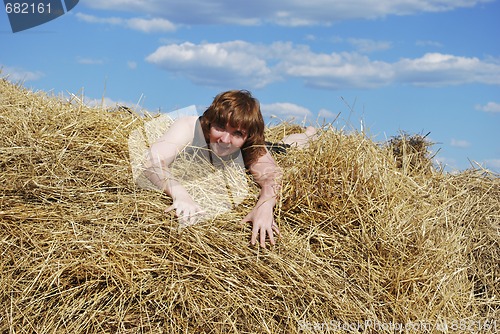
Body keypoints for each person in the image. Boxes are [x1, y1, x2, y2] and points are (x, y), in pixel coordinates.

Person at [142, 90, 317, 248]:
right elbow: (152, 162)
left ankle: (309, 133)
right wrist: (180, 194)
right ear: (210, 122)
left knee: (288, 146)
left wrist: (265, 205)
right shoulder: (189, 127)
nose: (225, 139)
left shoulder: (252, 147)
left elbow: (273, 175)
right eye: (220, 127)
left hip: (274, 146)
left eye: (237, 134)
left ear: (247, 138)